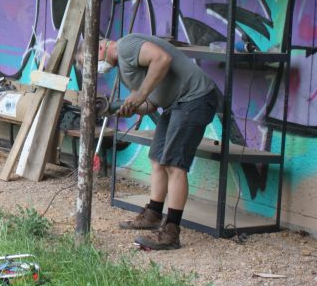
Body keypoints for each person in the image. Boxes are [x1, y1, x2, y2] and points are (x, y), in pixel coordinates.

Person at [80, 33, 220, 250]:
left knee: (174, 164)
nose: (95, 69)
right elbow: (151, 104)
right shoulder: (125, 71)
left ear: (99, 48)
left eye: (90, 63)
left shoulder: (126, 45)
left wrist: (139, 96)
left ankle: (171, 232)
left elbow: (162, 59)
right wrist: (130, 108)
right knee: (157, 158)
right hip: (175, 104)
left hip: (195, 98)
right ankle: (153, 215)